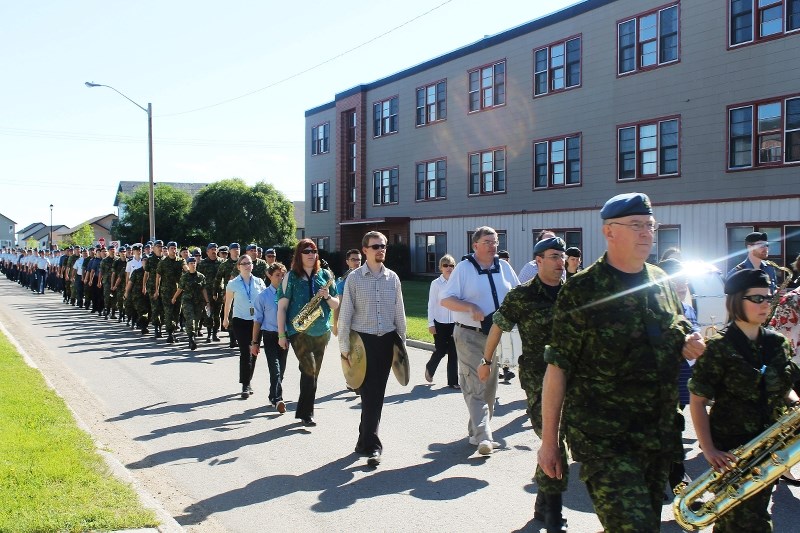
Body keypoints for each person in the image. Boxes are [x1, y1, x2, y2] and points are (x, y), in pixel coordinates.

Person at [538, 192, 705, 532]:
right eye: (636, 225)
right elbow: (558, 368)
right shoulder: (583, 291)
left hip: (657, 433)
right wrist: (549, 443)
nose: (647, 233)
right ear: (609, 232)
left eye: (650, 225)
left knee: (642, 524)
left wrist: (690, 341)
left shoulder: (662, 282)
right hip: (605, 438)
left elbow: (679, 328)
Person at [689, 269, 800, 530]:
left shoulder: (778, 344)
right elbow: (697, 401)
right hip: (732, 451)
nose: (765, 305)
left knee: (751, 516)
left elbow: (785, 390)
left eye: (768, 298)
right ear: (737, 300)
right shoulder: (718, 347)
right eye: (757, 299)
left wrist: (795, 403)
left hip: (770, 447)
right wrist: (709, 449)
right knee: (740, 521)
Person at [480, 236, 569, 532]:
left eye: (563, 256)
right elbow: (498, 326)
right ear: (538, 261)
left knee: (557, 439)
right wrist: (487, 360)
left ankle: (544, 503)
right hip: (537, 377)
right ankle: (554, 514)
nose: (561, 262)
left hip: (571, 376)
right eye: (554, 256)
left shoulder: (573, 294)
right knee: (551, 437)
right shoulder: (522, 295)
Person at [440, 226, 519, 456]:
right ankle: (485, 436)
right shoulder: (464, 268)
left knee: (490, 389)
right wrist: (469, 306)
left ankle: (476, 432)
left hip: (495, 337)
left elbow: (517, 294)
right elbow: (446, 299)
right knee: (476, 385)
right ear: (475, 246)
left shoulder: (503, 267)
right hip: (469, 334)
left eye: (495, 242)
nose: (493, 246)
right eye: (488, 242)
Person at [338, 231, 407, 467]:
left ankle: (364, 442)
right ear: (365, 249)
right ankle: (372, 444)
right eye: (376, 246)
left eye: (384, 246)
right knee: (371, 394)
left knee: (374, 394)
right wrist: (344, 348)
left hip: (386, 341)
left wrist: (402, 345)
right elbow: (345, 314)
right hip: (362, 344)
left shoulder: (393, 278)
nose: (381, 250)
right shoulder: (354, 279)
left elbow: (399, 311)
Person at [277, 239, 338, 427]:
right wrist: (281, 335)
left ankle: (304, 411)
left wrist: (326, 296)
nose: (311, 254)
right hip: (299, 331)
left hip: (321, 331)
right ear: (299, 255)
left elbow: (337, 304)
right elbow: (281, 308)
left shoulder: (325, 275)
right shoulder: (291, 277)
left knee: (312, 372)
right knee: (310, 369)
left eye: (314, 251)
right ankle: (307, 414)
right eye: (306, 251)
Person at [658, 258, 701, 494]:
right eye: (675, 280)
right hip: (657, 385)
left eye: (684, 279)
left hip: (682, 380)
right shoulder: (653, 313)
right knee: (668, 429)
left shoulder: (688, 309)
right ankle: (678, 480)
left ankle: (671, 475)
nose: (682, 285)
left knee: (673, 426)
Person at [223, 255, 267, 399]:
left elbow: (265, 301)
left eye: (249, 263)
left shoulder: (259, 282)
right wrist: (225, 319)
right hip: (240, 320)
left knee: (253, 351)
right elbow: (228, 302)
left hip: (256, 322)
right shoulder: (233, 283)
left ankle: (248, 381)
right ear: (238, 266)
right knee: (245, 352)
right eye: (244, 263)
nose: (247, 265)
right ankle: (245, 384)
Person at [251, 262, 289, 413]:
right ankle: (278, 399)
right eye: (277, 275)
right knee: (275, 369)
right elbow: (257, 321)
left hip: (285, 336)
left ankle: (272, 394)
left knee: (282, 370)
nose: (280, 278)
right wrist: (254, 342)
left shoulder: (288, 294)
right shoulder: (263, 297)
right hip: (269, 335)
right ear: (269, 276)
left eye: (282, 275)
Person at [424, 254, 459, 389]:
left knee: (453, 352)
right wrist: (430, 324)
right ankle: (430, 367)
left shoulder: (457, 283)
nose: (449, 268)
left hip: (455, 323)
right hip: (439, 322)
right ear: (440, 268)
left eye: (451, 265)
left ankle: (453, 381)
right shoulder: (436, 284)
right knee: (441, 350)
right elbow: (431, 304)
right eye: (446, 265)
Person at [173, 256, 210, 351]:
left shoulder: (201, 276)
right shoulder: (184, 277)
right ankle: (191, 339)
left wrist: (207, 302)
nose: (193, 265)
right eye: (191, 263)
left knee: (197, 320)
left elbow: (204, 289)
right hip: (187, 301)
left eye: (194, 263)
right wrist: (174, 298)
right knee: (190, 319)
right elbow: (180, 289)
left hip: (198, 302)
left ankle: (192, 336)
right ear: (188, 265)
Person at [155, 241, 186, 343]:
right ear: (168, 250)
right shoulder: (163, 262)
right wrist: (156, 290)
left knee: (176, 312)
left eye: (175, 248)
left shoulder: (180, 261)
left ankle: (173, 331)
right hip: (166, 291)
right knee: (168, 312)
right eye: (171, 248)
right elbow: (158, 276)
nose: (173, 250)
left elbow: (186, 269)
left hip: (178, 291)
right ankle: (169, 333)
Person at [331, 248, 361, 338]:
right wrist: (335, 325)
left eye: (359, 259)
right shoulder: (341, 282)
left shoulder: (367, 279)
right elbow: (338, 305)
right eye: (353, 259)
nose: (357, 262)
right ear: (347, 262)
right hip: (348, 323)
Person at [197, 243, 222, 343]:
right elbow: (199, 278)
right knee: (208, 314)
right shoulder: (203, 264)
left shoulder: (221, 262)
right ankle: (208, 334)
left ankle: (215, 334)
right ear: (207, 252)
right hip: (206, 293)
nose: (214, 251)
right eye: (211, 249)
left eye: (215, 249)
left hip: (218, 292)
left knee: (217, 314)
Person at [143, 240, 163, 338]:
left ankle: (161, 326)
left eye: (161, 246)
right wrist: (144, 286)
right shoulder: (150, 260)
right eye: (158, 246)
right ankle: (156, 328)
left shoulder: (164, 259)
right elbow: (146, 274)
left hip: (164, 287)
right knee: (155, 308)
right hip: (152, 287)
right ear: (154, 248)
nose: (160, 248)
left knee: (163, 308)